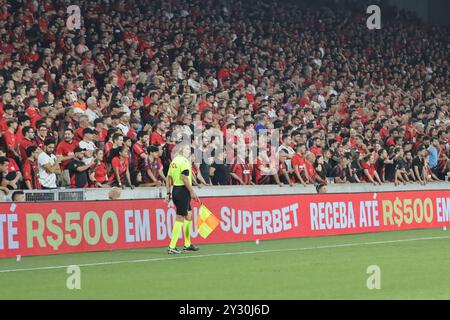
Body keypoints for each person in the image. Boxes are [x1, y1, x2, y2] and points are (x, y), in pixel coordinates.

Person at [165, 145, 199, 254]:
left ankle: (187, 244)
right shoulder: (185, 162)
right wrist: (192, 191)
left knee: (188, 215)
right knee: (180, 217)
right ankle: (172, 246)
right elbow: (184, 178)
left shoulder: (174, 161)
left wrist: (168, 192)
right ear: (181, 150)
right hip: (182, 191)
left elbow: (168, 177)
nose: (189, 151)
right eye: (187, 149)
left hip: (176, 190)